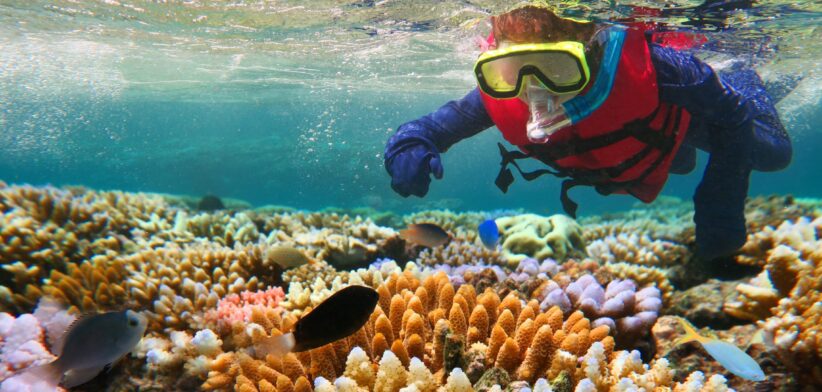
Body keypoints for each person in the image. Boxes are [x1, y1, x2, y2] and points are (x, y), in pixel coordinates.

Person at [383, 5, 791, 262]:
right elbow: (429, 128)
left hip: (671, 116)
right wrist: (408, 145)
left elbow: (733, 116)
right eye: (511, 71)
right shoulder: (500, 96)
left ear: (593, 50)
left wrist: (720, 201)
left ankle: (744, 75)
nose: (534, 90)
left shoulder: (663, 69)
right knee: (680, 164)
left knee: (773, 153)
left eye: (557, 69)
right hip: (640, 146)